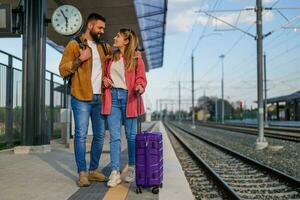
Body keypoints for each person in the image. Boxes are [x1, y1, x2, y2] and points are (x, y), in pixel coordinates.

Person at [59, 13, 110, 187]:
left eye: (103, 28)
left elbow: (119, 56)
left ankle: (93, 170)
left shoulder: (104, 47)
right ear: (90, 26)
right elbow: (63, 70)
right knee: (80, 135)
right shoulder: (75, 44)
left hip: (99, 98)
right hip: (81, 96)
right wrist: (80, 59)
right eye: (100, 27)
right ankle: (82, 173)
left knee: (100, 135)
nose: (102, 31)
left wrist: (135, 55)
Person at [101, 28, 147, 187]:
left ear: (126, 41)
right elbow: (105, 76)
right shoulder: (110, 58)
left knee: (131, 136)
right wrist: (105, 80)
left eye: (118, 36)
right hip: (112, 97)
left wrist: (140, 86)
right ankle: (115, 172)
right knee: (114, 137)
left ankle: (132, 168)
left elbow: (141, 78)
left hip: (130, 98)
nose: (115, 38)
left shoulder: (136, 59)